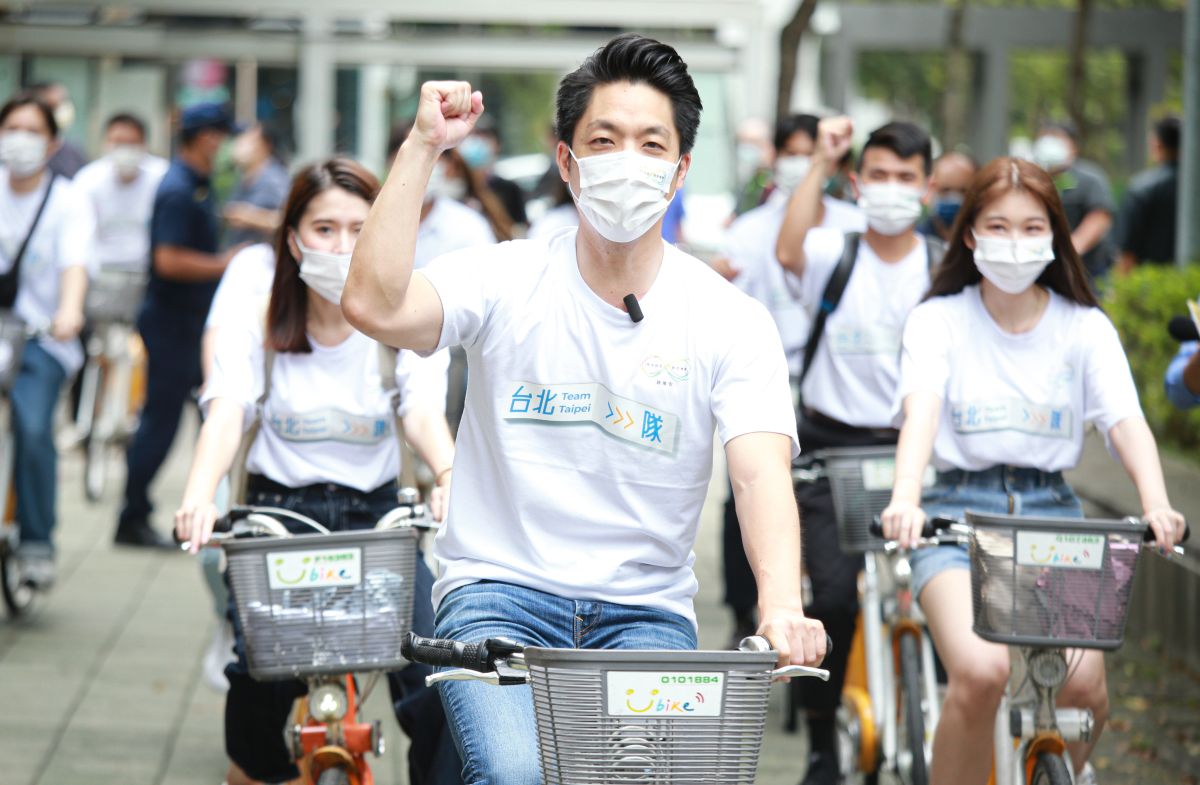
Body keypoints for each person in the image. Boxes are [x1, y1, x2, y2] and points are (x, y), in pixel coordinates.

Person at [342, 34, 828, 785]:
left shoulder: (731, 318)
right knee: (515, 775)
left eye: (650, 142)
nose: (627, 160)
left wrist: (780, 604)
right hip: (497, 597)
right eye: (604, 140)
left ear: (679, 170)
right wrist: (422, 145)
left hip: (646, 618)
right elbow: (374, 303)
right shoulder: (504, 277)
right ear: (568, 161)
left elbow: (761, 474)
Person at [880, 157, 1187, 785]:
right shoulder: (938, 320)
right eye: (997, 226)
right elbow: (921, 414)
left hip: (1056, 521)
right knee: (980, 672)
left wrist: (1156, 503)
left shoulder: (1085, 328)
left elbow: (1125, 423)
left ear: (1053, 236)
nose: (1014, 242)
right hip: (958, 518)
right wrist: (906, 496)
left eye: (1030, 227)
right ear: (970, 235)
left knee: (1083, 690)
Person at [175, 157, 458, 785]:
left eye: (361, 228)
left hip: (379, 518)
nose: (343, 245)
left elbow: (423, 414)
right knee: (256, 672)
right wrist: (199, 493)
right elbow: (226, 411)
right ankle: (255, 772)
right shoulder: (256, 321)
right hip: (279, 514)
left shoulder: (404, 323)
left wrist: (447, 472)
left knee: (437, 675)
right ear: (294, 238)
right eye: (325, 229)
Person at [774, 117, 942, 785]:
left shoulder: (942, 269)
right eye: (879, 175)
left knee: (938, 597)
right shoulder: (831, 252)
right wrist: (820, 158)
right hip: (829, 445)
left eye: (907, 178)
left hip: (913, 447)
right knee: (834, 601)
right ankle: (822, 741)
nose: (892, 189)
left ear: (927, 187)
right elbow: (787, 250)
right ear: (856, 181)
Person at [717, 112, 866, 647]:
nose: (801, 161)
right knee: (749, 488)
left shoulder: (853, 223)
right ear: (775, 156)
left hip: (827, 379)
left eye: (814, 152)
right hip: (762, 379)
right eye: (793, 151)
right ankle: (744, 605)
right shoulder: (751, 227)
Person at [115, 102, 242, 549]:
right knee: (161, 422)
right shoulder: (177, 189)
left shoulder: (201, 185)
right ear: (207, 137)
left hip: (192, 324)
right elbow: (167, 259)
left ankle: (213, 508)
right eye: (224, 134)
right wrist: (222, 265)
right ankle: (131, 516)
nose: (229, 145)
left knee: (216, 413)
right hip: (172, 325)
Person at [0, 92, 95, 587]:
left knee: (34, 425)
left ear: (53, 143)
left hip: (42, 337)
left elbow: (73, 266)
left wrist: (70, 311)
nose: (20, 140)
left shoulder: (69, 199)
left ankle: (36, 539)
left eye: (32, 131)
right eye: (11, 128)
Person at [73, 113, 169, 273]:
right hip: (101, 272)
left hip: (149, 271)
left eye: (132, 143)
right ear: (106, 143)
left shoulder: (162, 176)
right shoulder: (87, 180)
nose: (125, 150)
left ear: (144, 144)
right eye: (118, 142)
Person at [1032, 123, 1116, 282]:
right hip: (1039, 269)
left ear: (1073, 146)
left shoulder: (1090, 179)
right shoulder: (1032, 178)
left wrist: (1069, 251)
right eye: (1046, 138)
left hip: (1085, 269)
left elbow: (1099, 217)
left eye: (1056, 138)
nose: (1050, 144)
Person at [1115, 116, 1182, 272]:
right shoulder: (1193, 187)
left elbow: (1127, 253)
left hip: (1149, 285)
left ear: (1156, 145)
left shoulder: (1140, 188)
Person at [224, 122, 290, 247]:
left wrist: (253, 218)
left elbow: (291, 221)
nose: (239, 145)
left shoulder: (275, 179)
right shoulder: (244, 178)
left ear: (265, 145)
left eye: (248, 140)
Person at [460, 119, 528, 230]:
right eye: (475, 137)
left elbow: (520, 228)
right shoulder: (459, 189)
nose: (479, 142)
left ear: (498, 144)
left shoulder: (508, 188)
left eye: (485, 138)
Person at [31, 81, 88, 179]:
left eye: (64, 102)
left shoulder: (73, 153)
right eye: (53, 105)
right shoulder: (19, 149)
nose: (60, 110)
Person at [917, 151, 977, 242]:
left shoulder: (981, 242)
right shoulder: (917, 241)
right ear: (930, 190)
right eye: (945, 190)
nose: (954, 198)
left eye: (963, 191)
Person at [733, 117, 774, 215]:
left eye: (753, 142)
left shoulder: (775, 181)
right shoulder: (751, 178)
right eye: (743, 142)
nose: (747, 147)